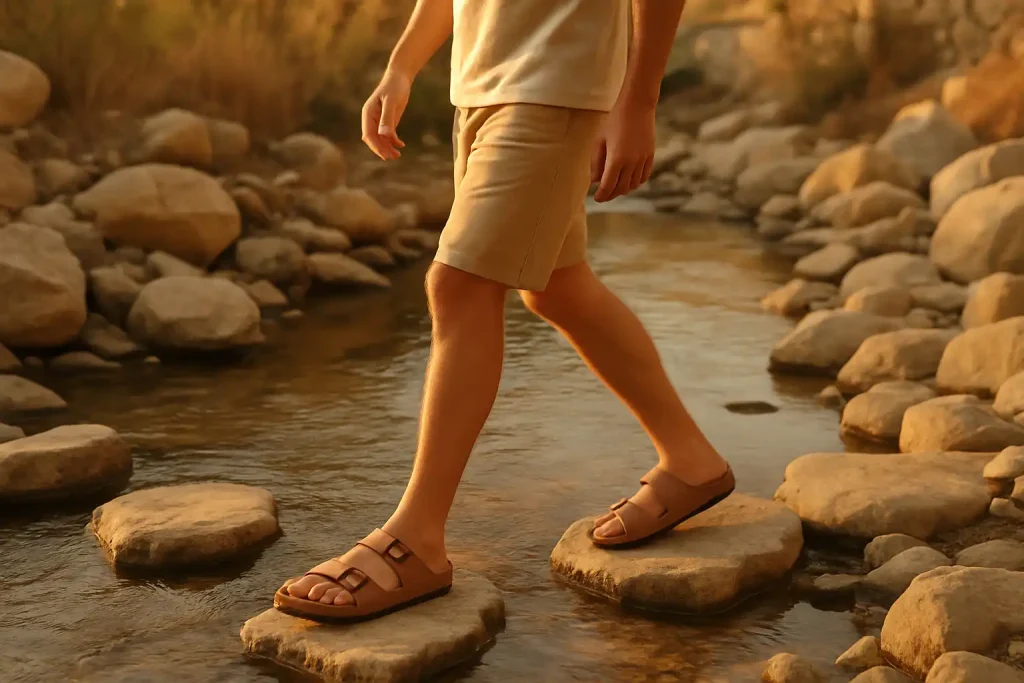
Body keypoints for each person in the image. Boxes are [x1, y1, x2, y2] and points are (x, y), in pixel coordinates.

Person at [274, 0, 734, 623]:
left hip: (555, 87)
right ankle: (692, 461)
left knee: (458, 286)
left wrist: (638, 102)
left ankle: (418, 540)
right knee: (557, 286)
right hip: (480, 89)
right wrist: (402, 66)